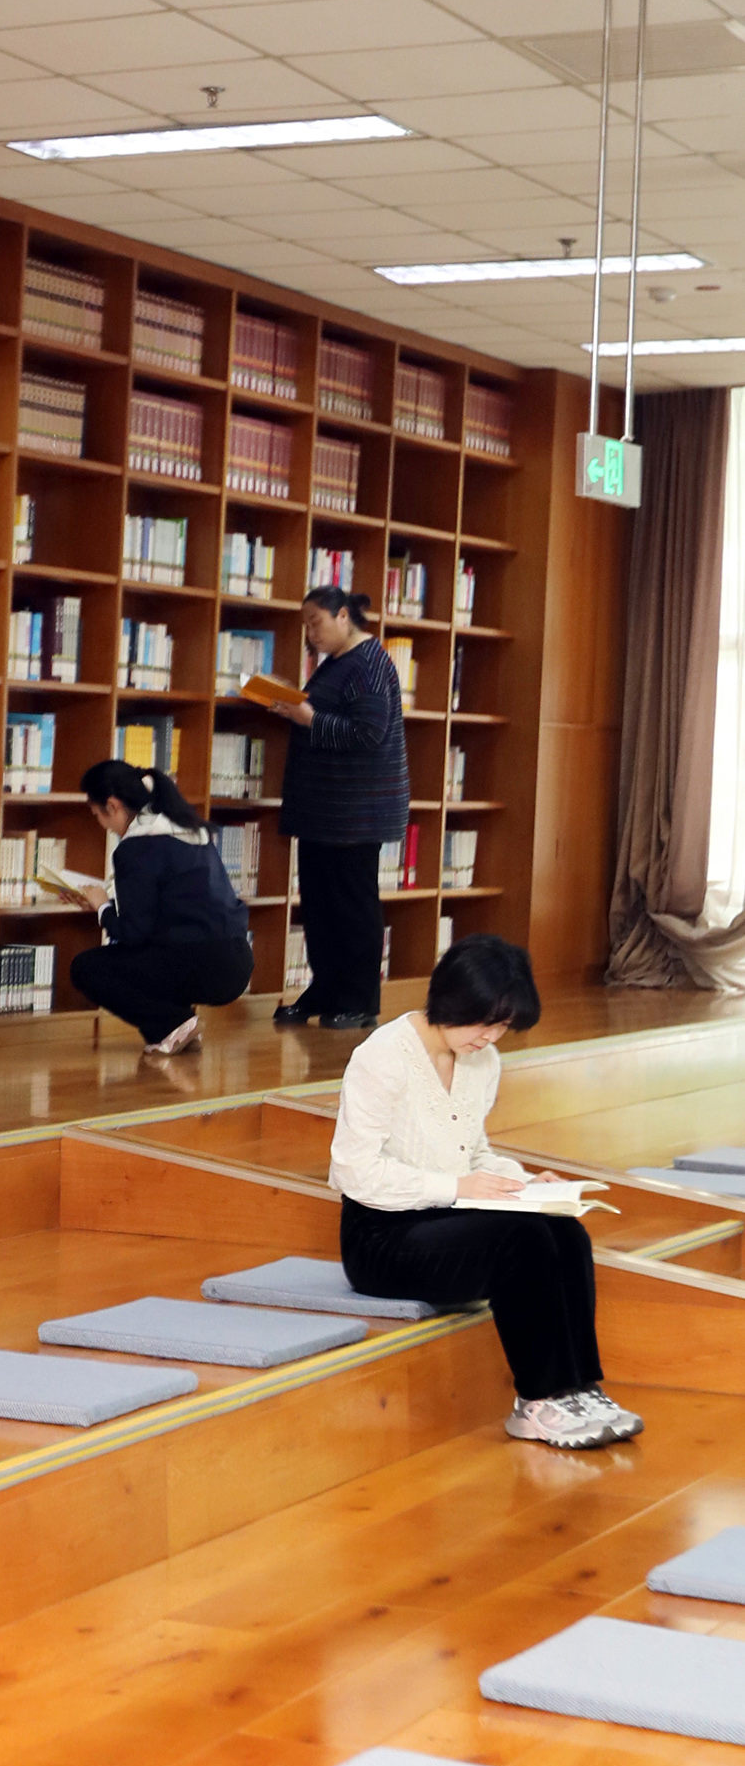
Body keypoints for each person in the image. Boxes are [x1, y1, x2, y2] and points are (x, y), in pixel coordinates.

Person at [331, 934, 641, 1451]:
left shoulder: (482, 1060)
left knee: (566, 1232)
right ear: (452, 1002)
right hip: (380, 1239)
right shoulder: (381, 1058)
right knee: (521, 1243)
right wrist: (453, 1188)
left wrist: (521, 1181)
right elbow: (353, 1171)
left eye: (502, 1027)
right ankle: (537, 1401)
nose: (492, 1037)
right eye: (486, 1023)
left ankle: (579, 1389)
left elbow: (472, 1152)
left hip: (449, 1219)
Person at [264, 582, 409, 1031]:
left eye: (316, 623)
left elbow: (368, 733)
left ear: (343, 616)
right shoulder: (337, 662)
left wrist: (309, 718)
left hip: (356, 812)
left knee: (352, 906)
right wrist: (295, 703)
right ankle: (325, 990)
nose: (311, 634)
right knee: (319, 907)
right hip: (323, 810)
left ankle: (360, 1001)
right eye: (306, 626)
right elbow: (329, 715)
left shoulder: (369, 662)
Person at [67, 760, 253, 1057]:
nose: (102, 825)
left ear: (112, 806)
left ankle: (172, 1026)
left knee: (87, 968)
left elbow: (133, 933)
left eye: (97, 815)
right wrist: (105, 904)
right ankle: (179, 1029)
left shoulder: (135, 848)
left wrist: (102, 908)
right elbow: (169, 906)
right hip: (237, 962)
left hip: (199, 963)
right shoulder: (188, 829)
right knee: (161, 953)